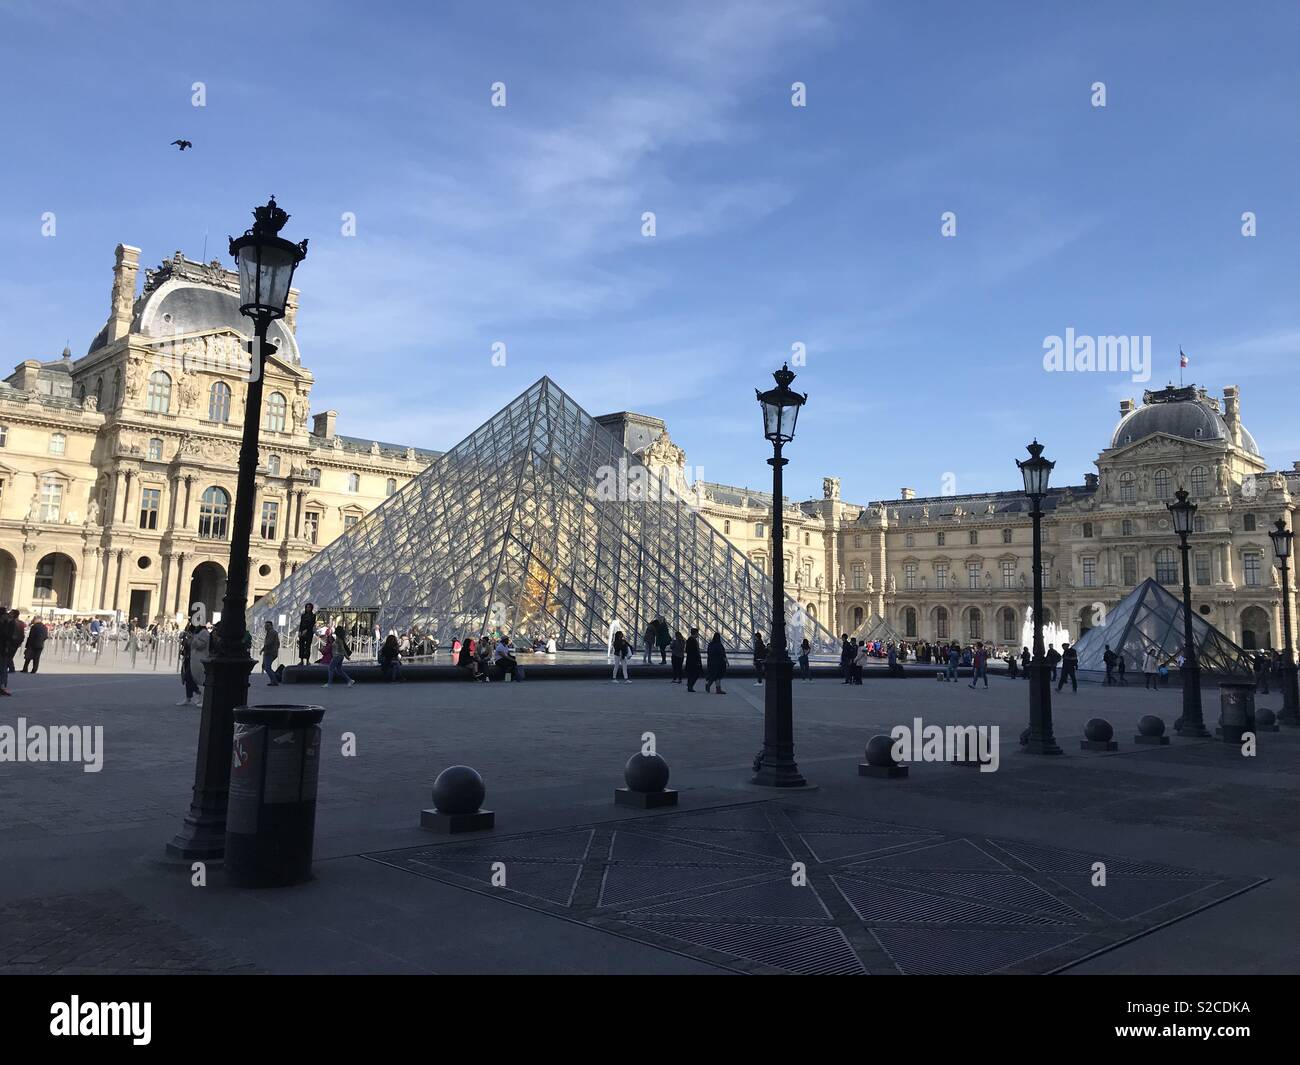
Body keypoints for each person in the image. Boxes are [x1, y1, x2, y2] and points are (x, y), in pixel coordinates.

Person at [262, 621, 284, 686]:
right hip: (271, 652)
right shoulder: (271, 632)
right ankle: (274, 680)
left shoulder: (272, 632)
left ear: (271, 626)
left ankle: (274, 681)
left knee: (267, 667)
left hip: (270, 652)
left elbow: (269, 642)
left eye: (267, 625)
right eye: (265, 626)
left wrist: (263, 649)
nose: (266, 627)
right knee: (267, 667)